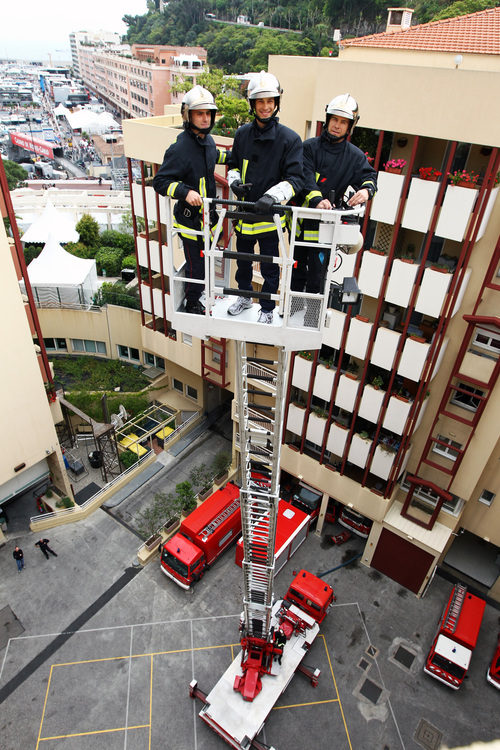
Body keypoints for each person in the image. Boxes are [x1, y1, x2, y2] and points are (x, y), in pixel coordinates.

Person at [226, 72, 303, 324]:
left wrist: (272, 197)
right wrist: (235, 181)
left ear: (277, 102)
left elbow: (296, 180)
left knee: (270, 266)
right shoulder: (242, 135)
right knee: (244, 262)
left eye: (270, 100)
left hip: (270, 217)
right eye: (260, 101)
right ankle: (245, 297)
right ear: (252, 104)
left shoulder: (289, 139)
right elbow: (233, 165)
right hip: (245, 213)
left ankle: (268, 309)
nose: (265, 106)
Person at [291, 93, 377, 315]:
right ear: (327, 119)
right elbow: (304, 176)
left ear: (350, 126)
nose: (337, 126)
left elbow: (369, 176)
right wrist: (317, 199)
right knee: (297, 271)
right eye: (334, 120)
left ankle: (312, 316)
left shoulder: (354, 157)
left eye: (343, 122)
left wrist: (366, 191)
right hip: (303, 223)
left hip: (327, 228)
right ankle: (294, 310)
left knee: (318, 276)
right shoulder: (309, 147)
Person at [153, 86, 229, 315]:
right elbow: (160, 181)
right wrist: (185, 192)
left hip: (208, 219)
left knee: (205, 264)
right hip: (190, 223)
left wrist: (240, 158)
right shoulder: (180, 148)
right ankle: (192, 302)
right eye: (199, 113)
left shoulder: (208, 142)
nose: (205, 118)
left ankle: (198, 294)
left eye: (208, 113)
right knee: (197, 268)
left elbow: (214, 157)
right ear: (188, 115)